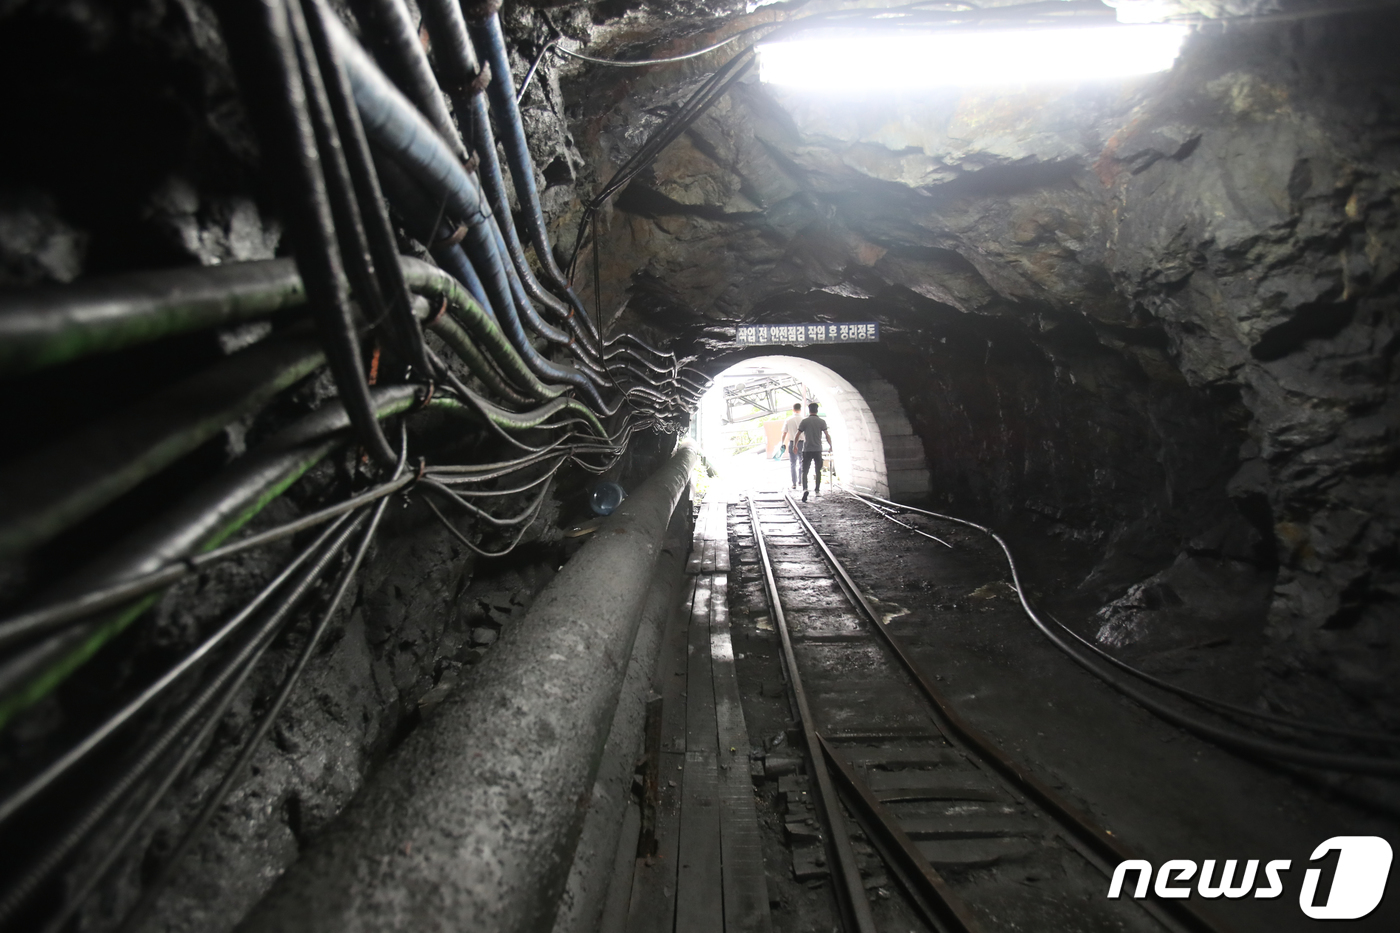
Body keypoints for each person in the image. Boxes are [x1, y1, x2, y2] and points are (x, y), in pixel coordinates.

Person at [797, 402, 832, 502]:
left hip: (807, 449)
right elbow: (827, 435)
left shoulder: (804, 421)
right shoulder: (822, 422)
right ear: (817, 410)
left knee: (805, 471)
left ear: (809, 410)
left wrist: (795, 445)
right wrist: (830, 446)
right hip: (817, 449)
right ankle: (817, 490)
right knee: (818, 470)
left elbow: (797, 434)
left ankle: (805, 489)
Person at [779, 402, 803, 489]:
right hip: (802, 443)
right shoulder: (803, 419)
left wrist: (782, 443)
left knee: (793, 463)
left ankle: (794, 483)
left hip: (792, 442)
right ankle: (801, 481)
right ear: (800, 410)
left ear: (793, 410)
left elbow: (784, 433)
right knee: (802, 462)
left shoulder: (788, 419)